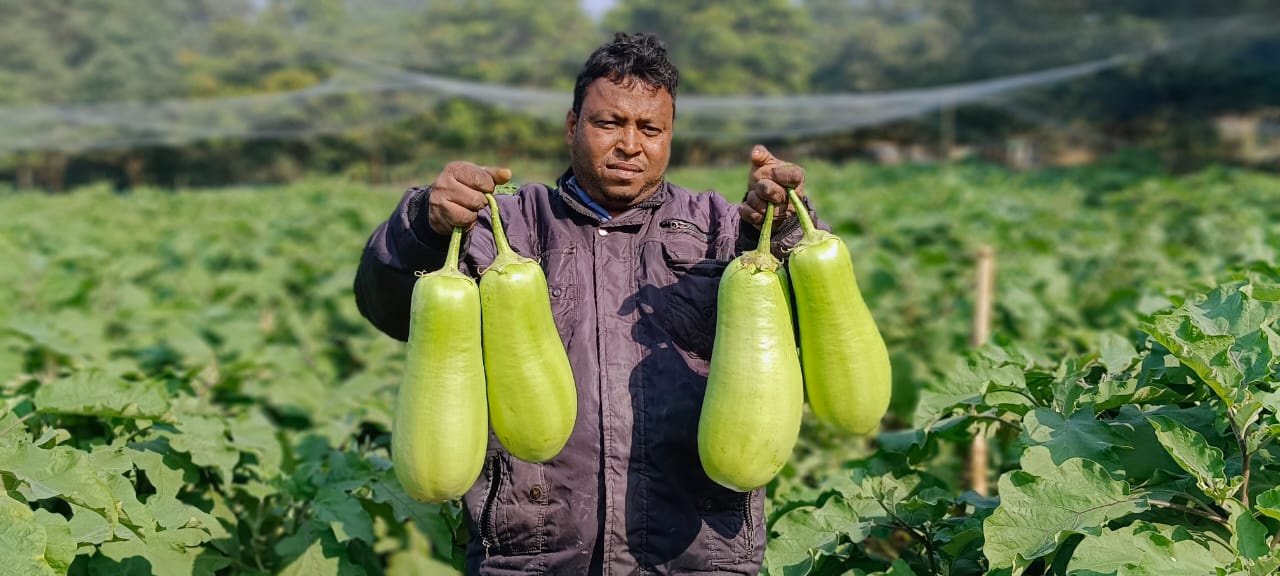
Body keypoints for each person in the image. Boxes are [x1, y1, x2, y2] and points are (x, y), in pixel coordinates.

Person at [355, 32, 822, 575]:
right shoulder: (507, 225)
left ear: (669, 136)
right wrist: (423, 227)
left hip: (697, 556)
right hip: (534, 555)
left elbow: (816, 338)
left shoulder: (723, 228)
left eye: (650, 128)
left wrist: (786, 230)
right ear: (573, 126)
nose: (630, 144)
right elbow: (386, 306)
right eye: (609, 123)